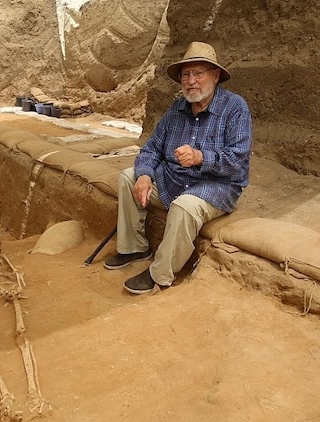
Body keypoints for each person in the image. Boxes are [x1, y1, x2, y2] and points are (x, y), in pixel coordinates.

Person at [104, 41, 253, 294]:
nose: (191, 81)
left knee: (185, 206)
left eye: (198, 73)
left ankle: (160, 274)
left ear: (215, 76)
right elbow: (151, 149)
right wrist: (144, 175)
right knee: (128, 177)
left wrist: (200, 157)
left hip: (216, 186)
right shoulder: (177, 109)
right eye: (186, 74)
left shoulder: (235, 108)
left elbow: (237, 160)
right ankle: (134, 248)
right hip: (173, 180)